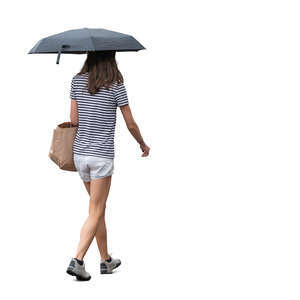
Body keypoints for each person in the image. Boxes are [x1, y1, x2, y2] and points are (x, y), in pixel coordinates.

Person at [66, 51, 150, 281]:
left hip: (80, 155)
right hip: (102, 156)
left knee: (97, 209)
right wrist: (142, 143)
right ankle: (78, 260)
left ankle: (106, 260)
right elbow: (130, 123)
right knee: (96, 209)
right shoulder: (116, 84)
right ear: (112, 57)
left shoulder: (77, 80)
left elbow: (74, 121)